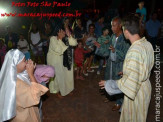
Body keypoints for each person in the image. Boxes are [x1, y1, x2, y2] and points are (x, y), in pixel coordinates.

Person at [99, 15, 154, 122]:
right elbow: (142, 66)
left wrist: (108, 84)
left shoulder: (134, 50)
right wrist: (127, 70)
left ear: (126, 31)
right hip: (144, 88)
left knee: (133, 118)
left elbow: (130, 84)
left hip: (137, 92)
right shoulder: (147, 43)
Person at [0, 49, 48, 122]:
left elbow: (25, 76)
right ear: (15, 64)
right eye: (24, 61)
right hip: (25, 117)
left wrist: (30, 69)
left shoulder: (13, 75)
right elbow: (35, 96)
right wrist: (31, 74)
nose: (26, 62)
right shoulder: (16, 84)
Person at [104, 17, 130, 110]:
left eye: (114, 26)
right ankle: (110, 96)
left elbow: (125, 55)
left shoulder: (125, 39)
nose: (112, 28)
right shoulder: (113, 36)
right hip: (111, 64)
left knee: (118, 83)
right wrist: (106, 44)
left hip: (119, 66)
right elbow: (110, 48)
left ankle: (118, 102)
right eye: (111, 25)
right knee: (109, 79)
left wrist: (116, 51)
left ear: (120, 26)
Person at [47, 29, 77, 97]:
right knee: (56, 76)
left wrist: (69, 36)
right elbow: (58, 49)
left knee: (64, 75)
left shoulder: (66, 38)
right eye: (62, 31)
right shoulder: (53, 38)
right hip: (54, 59)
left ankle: (66, 90)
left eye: (64, 31)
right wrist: (60, 38)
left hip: (64, 59)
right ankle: (56, 90)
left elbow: (74, 43)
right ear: (58, 32)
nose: (64, 33)